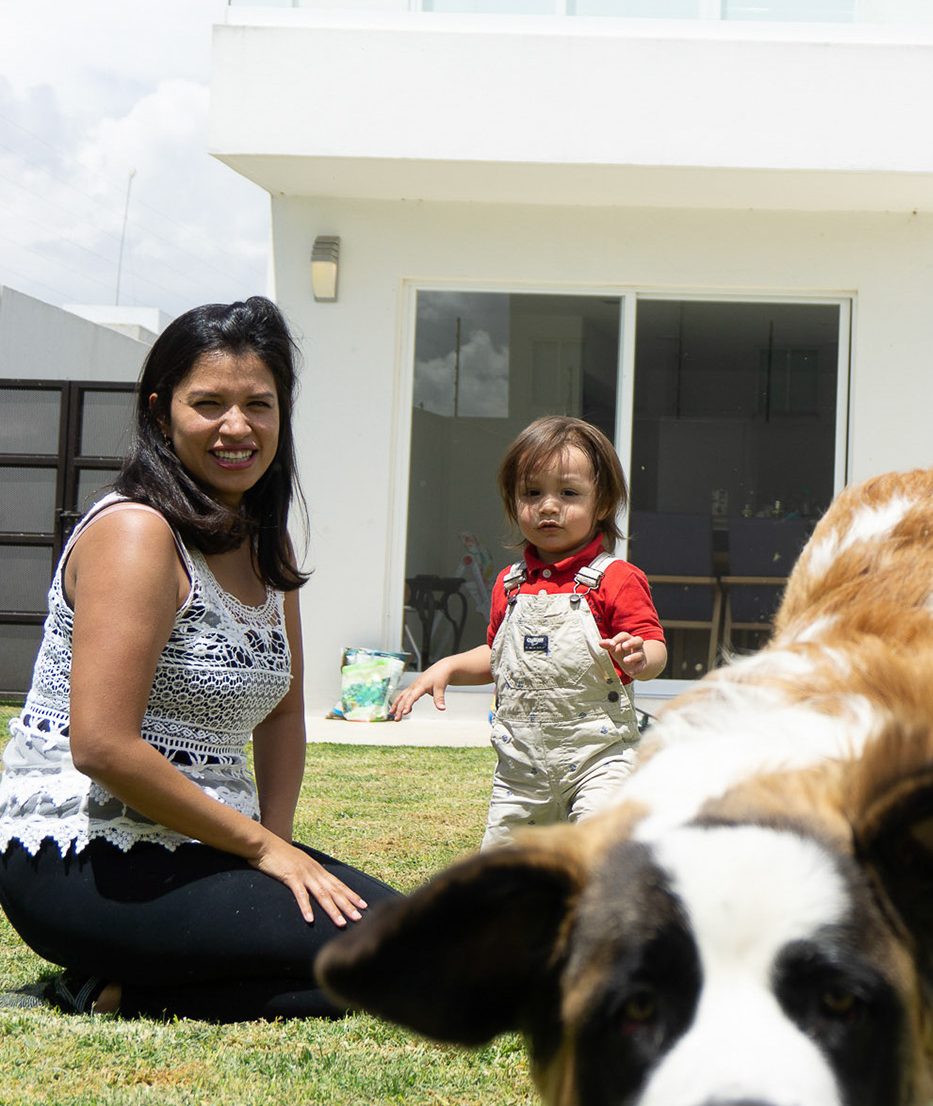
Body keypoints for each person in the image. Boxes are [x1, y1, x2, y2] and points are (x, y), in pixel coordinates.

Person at [0, 297, 396, 1020]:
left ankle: (120, 992)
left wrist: (274, 844)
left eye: (259, 404)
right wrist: (267, 853)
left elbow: (280, 713)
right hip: (85, 857)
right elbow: (103, 747)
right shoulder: (136, 534)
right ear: (160, 412)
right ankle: (115, 980)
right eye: (208, 403)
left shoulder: (264, 543)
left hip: (206, 848)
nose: (237, 427)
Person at [392, 416, 667, 848]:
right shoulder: (509, 584)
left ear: (603, 503)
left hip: (599, 760)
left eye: (568, 493)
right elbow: (498, 656)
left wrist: (639, 656)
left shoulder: (616, 578)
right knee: (503, 879)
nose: (548, 506)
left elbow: (653, 649)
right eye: (531, 493)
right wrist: (448, 666)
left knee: (597, 856)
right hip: (520, 773)